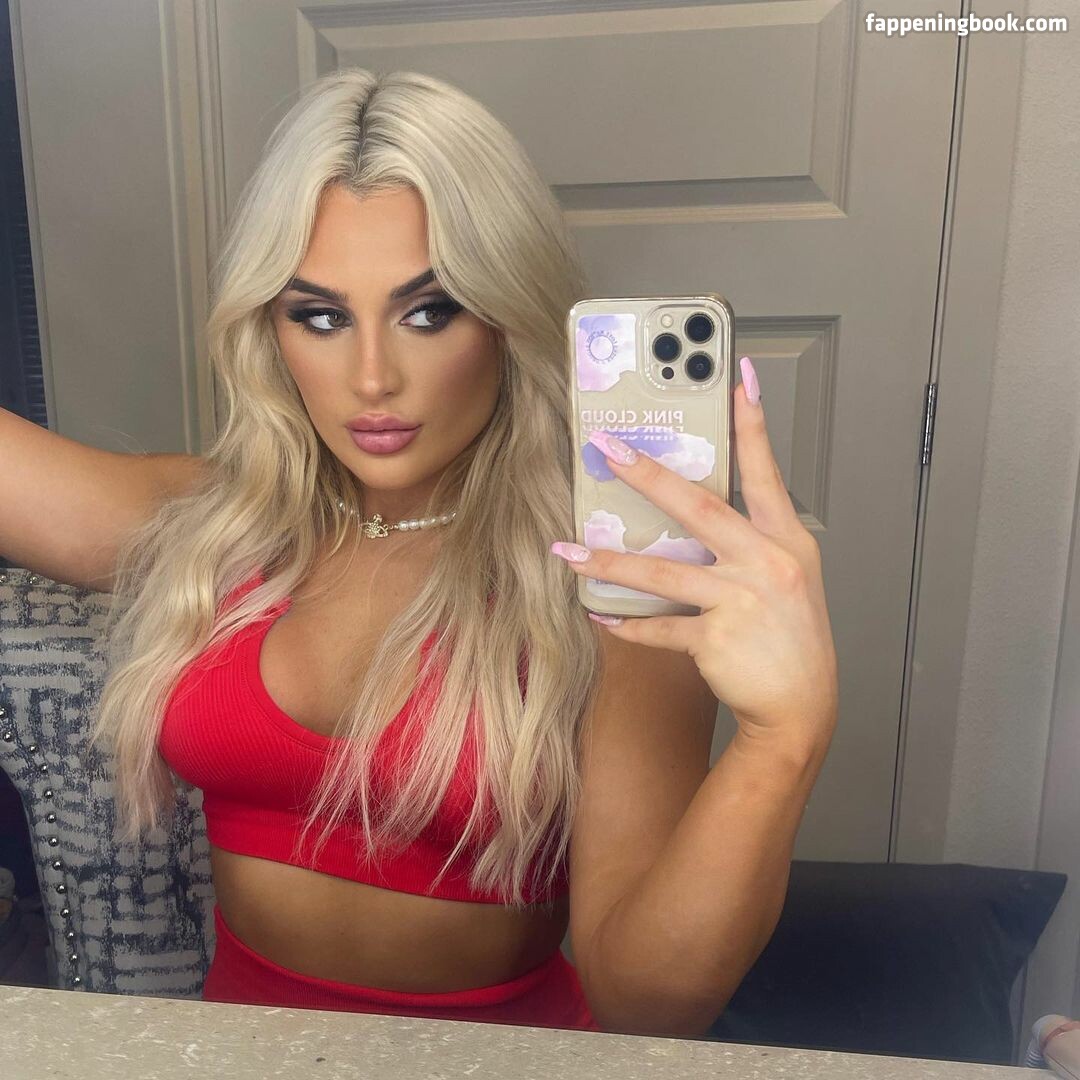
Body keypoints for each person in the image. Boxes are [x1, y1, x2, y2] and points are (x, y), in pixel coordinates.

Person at [0, 68, 838, 1038]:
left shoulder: (611, 572)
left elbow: (644, 1001)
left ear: (506, 316)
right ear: (270, 329)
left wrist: (783, 740)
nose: (372, 378)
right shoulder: (219, 523)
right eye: (320, 316)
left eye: (429, 311)